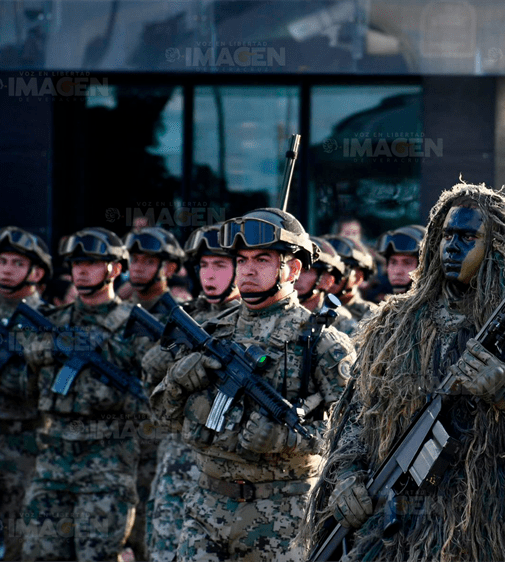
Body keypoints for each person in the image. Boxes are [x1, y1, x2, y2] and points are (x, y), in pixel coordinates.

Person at [302, 182, 505, 562]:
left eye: (467, 236)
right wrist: (348, 475)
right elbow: (358, 417)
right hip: (397, 532)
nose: (452, 246)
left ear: (496, 247)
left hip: (495, 532)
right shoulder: (394, 326)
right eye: (446, 235)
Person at [150, 208, 356, 561]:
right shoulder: (213, 331)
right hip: (206, 507)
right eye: (242, 259)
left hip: (283, 516)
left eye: (262, 259)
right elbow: (162, 418)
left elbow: (357, 436)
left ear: (291, 269)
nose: (247, 269)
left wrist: (289, 438)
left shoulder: (322, 343)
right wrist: (177, 381)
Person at [21, 227, 151, 562]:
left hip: (108, 462)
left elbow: (153, 395)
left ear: (115, 269)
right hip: (53, 460)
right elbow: (29, 384)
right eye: (76, 263)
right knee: (40, 554)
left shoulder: (136, 326)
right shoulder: (52, 322)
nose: (80, 271)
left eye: (92, 263)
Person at [142, 223, 242, 562]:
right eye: (204, 265)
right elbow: (152, 399)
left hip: (229, 472)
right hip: (177, 463)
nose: (209, 275)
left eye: (220, 265)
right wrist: (162, 363)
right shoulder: (184, 317)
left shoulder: (253, 321)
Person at [122, 225, 187, 561]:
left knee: (150, 538)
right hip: (114, 440)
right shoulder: (115, 309)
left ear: (170, 269)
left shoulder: (181, 318)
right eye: (134, 259)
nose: (138, 267)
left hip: (157, 442)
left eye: (149, 261)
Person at [0, 227, 53, 562]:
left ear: (37, 272)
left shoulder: (49, 321)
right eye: (2, 261)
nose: (7, 269)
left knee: (20, 547)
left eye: (17, 262)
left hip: (26, 446)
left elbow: (45, 386)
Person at [325, 235, 378, 324]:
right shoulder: (310, 307)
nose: (329, 277)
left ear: (358, 277)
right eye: (326, 270)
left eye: (340, 271)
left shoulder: (372, 315)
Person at [376, 224, 426, 295]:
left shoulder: (441, 304)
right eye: (393, 262)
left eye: (407, 263)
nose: (398, 271)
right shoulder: (377, 299)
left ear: (424, 267)